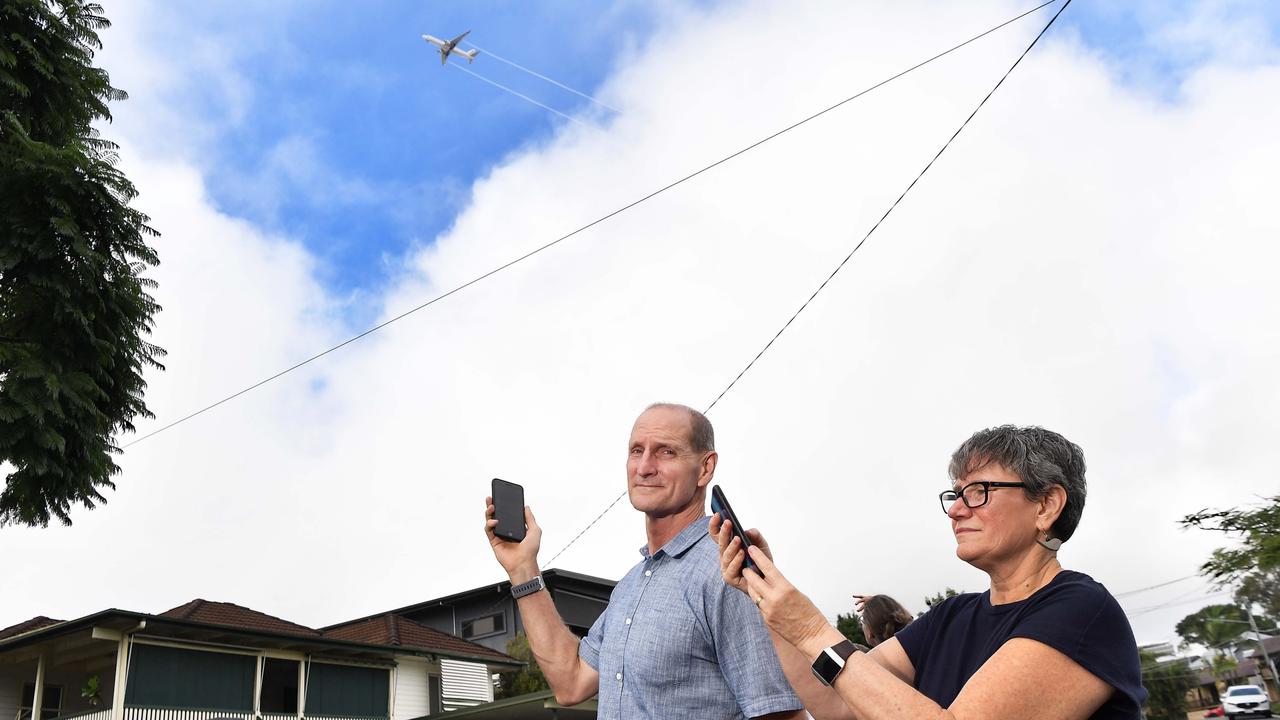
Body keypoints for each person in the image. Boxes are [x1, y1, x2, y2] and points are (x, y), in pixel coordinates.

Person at [713, 425, 1148, 720]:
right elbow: (839, 703)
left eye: (979, 492)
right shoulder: (950, 617)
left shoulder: (1081, 611)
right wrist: (763, 596)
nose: (956, 510)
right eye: (955, 495)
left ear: (1046, 505)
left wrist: (811, 630)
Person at [484, 402, 804, 719]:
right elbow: (572, 682)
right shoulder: (630, 586)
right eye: (637, 451)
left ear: (705, 468)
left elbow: (780, 715)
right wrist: (522, 569)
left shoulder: (729, 573)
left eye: (666, 452)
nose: (644, 467)